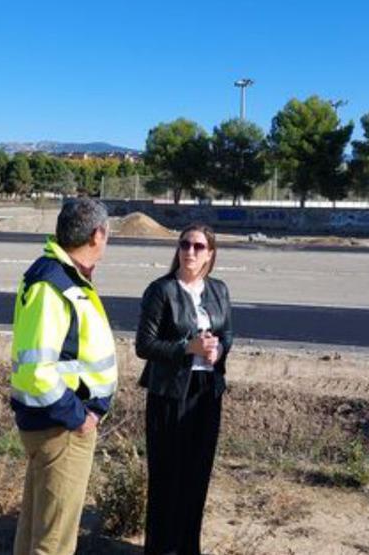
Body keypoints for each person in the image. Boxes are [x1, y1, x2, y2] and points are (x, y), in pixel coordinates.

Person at [10, 197, 118, 555]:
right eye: (107, 234)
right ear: (97, 235)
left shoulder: (62, 275)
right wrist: (79, 418)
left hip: (52, 424)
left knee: (34, 536)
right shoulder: (54, 284)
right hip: (61, 428)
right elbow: (39, 369)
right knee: (54, 544)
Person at [135, 223, 234, 555]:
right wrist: (186, 348)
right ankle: (161, 547)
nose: (190, 251)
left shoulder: (219, 290)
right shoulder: (161, 290)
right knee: (167, 474)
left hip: (206, 392)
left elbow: (228, 335)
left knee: (197, 473)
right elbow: (145, 345)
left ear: (210, 254)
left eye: (198, 247)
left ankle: (188, 546)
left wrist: (218, 350)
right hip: (169, 392)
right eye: (185, 244)